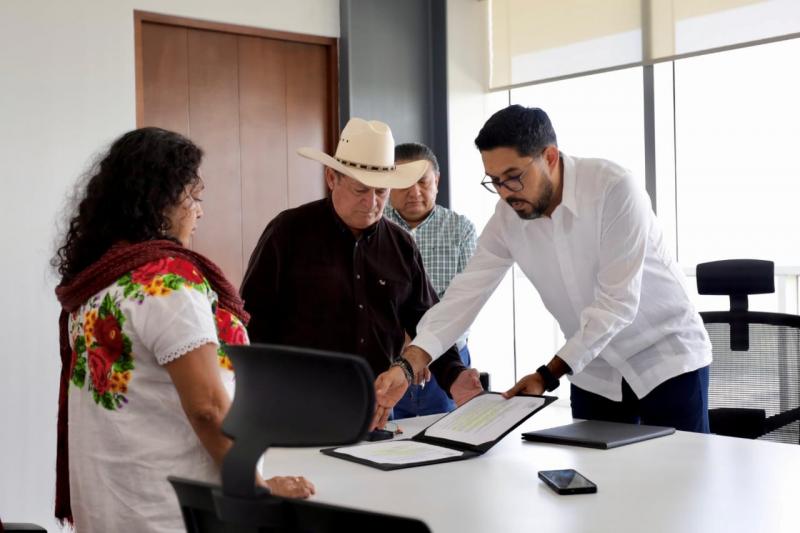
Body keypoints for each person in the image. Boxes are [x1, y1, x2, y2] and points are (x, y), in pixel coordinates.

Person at [53, 127, 314, 532]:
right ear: (158, 200)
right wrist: (258, 490)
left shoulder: (99, 280)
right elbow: (208, 407)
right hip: (171, 513)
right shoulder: (166, 280)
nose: (199, 210)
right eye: (193, 196)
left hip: (113, 510)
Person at [401, 105, 713, 433]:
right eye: (494, 181)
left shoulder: (614, 188)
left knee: (676, 478)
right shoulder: (507, 218)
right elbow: (466, 293)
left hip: (665, 359)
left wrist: (547, 375)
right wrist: (412, 361)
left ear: (549, 156)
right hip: (594, 370)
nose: (505, 193)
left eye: (514, 177)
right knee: (599, 480)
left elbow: (616, 304)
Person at [239, 118, 481, 429]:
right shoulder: (287, 232)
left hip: (375, 406)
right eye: (360, 190)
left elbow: (428, 320)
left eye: (381, 192)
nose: (372, 203)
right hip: (294, 404)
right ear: (331, 178)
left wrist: (454, 374)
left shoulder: (401, 245)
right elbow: (250, 319)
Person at [384, 142, 478, 418]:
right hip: (388, 362)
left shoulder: (461, 229)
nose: (414, 193)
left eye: (423, 183)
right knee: (385, 443)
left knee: (446, 441)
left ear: (436, 181)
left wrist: (426, 349)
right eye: (403, 183)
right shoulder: (376, 229)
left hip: (448, 359)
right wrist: (408, 350)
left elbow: (466, 302)